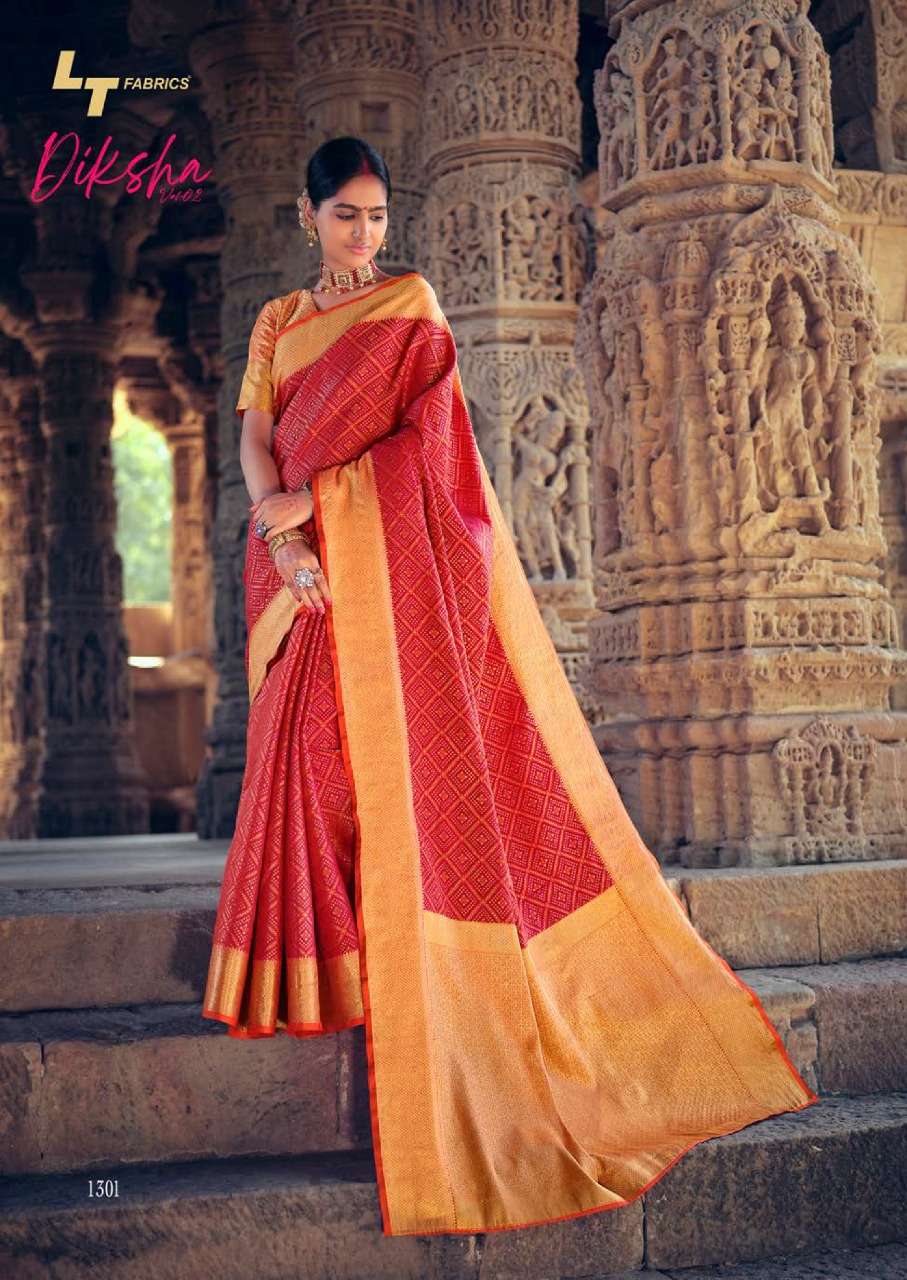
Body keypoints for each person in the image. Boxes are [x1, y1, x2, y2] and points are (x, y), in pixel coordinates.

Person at [202, 136, 818, 1238]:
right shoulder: (278, 323)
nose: (364, 233)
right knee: (305, 771)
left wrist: (326, 499)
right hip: (296, 571)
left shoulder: (410, 309)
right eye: (345, 215)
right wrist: (279, 528)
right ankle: (322, 977)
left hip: (379, 568)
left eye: (376, 215)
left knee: (371, 774)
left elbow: (438, 453)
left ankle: (419, 980)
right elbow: (256, 437)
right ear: (306, 215)